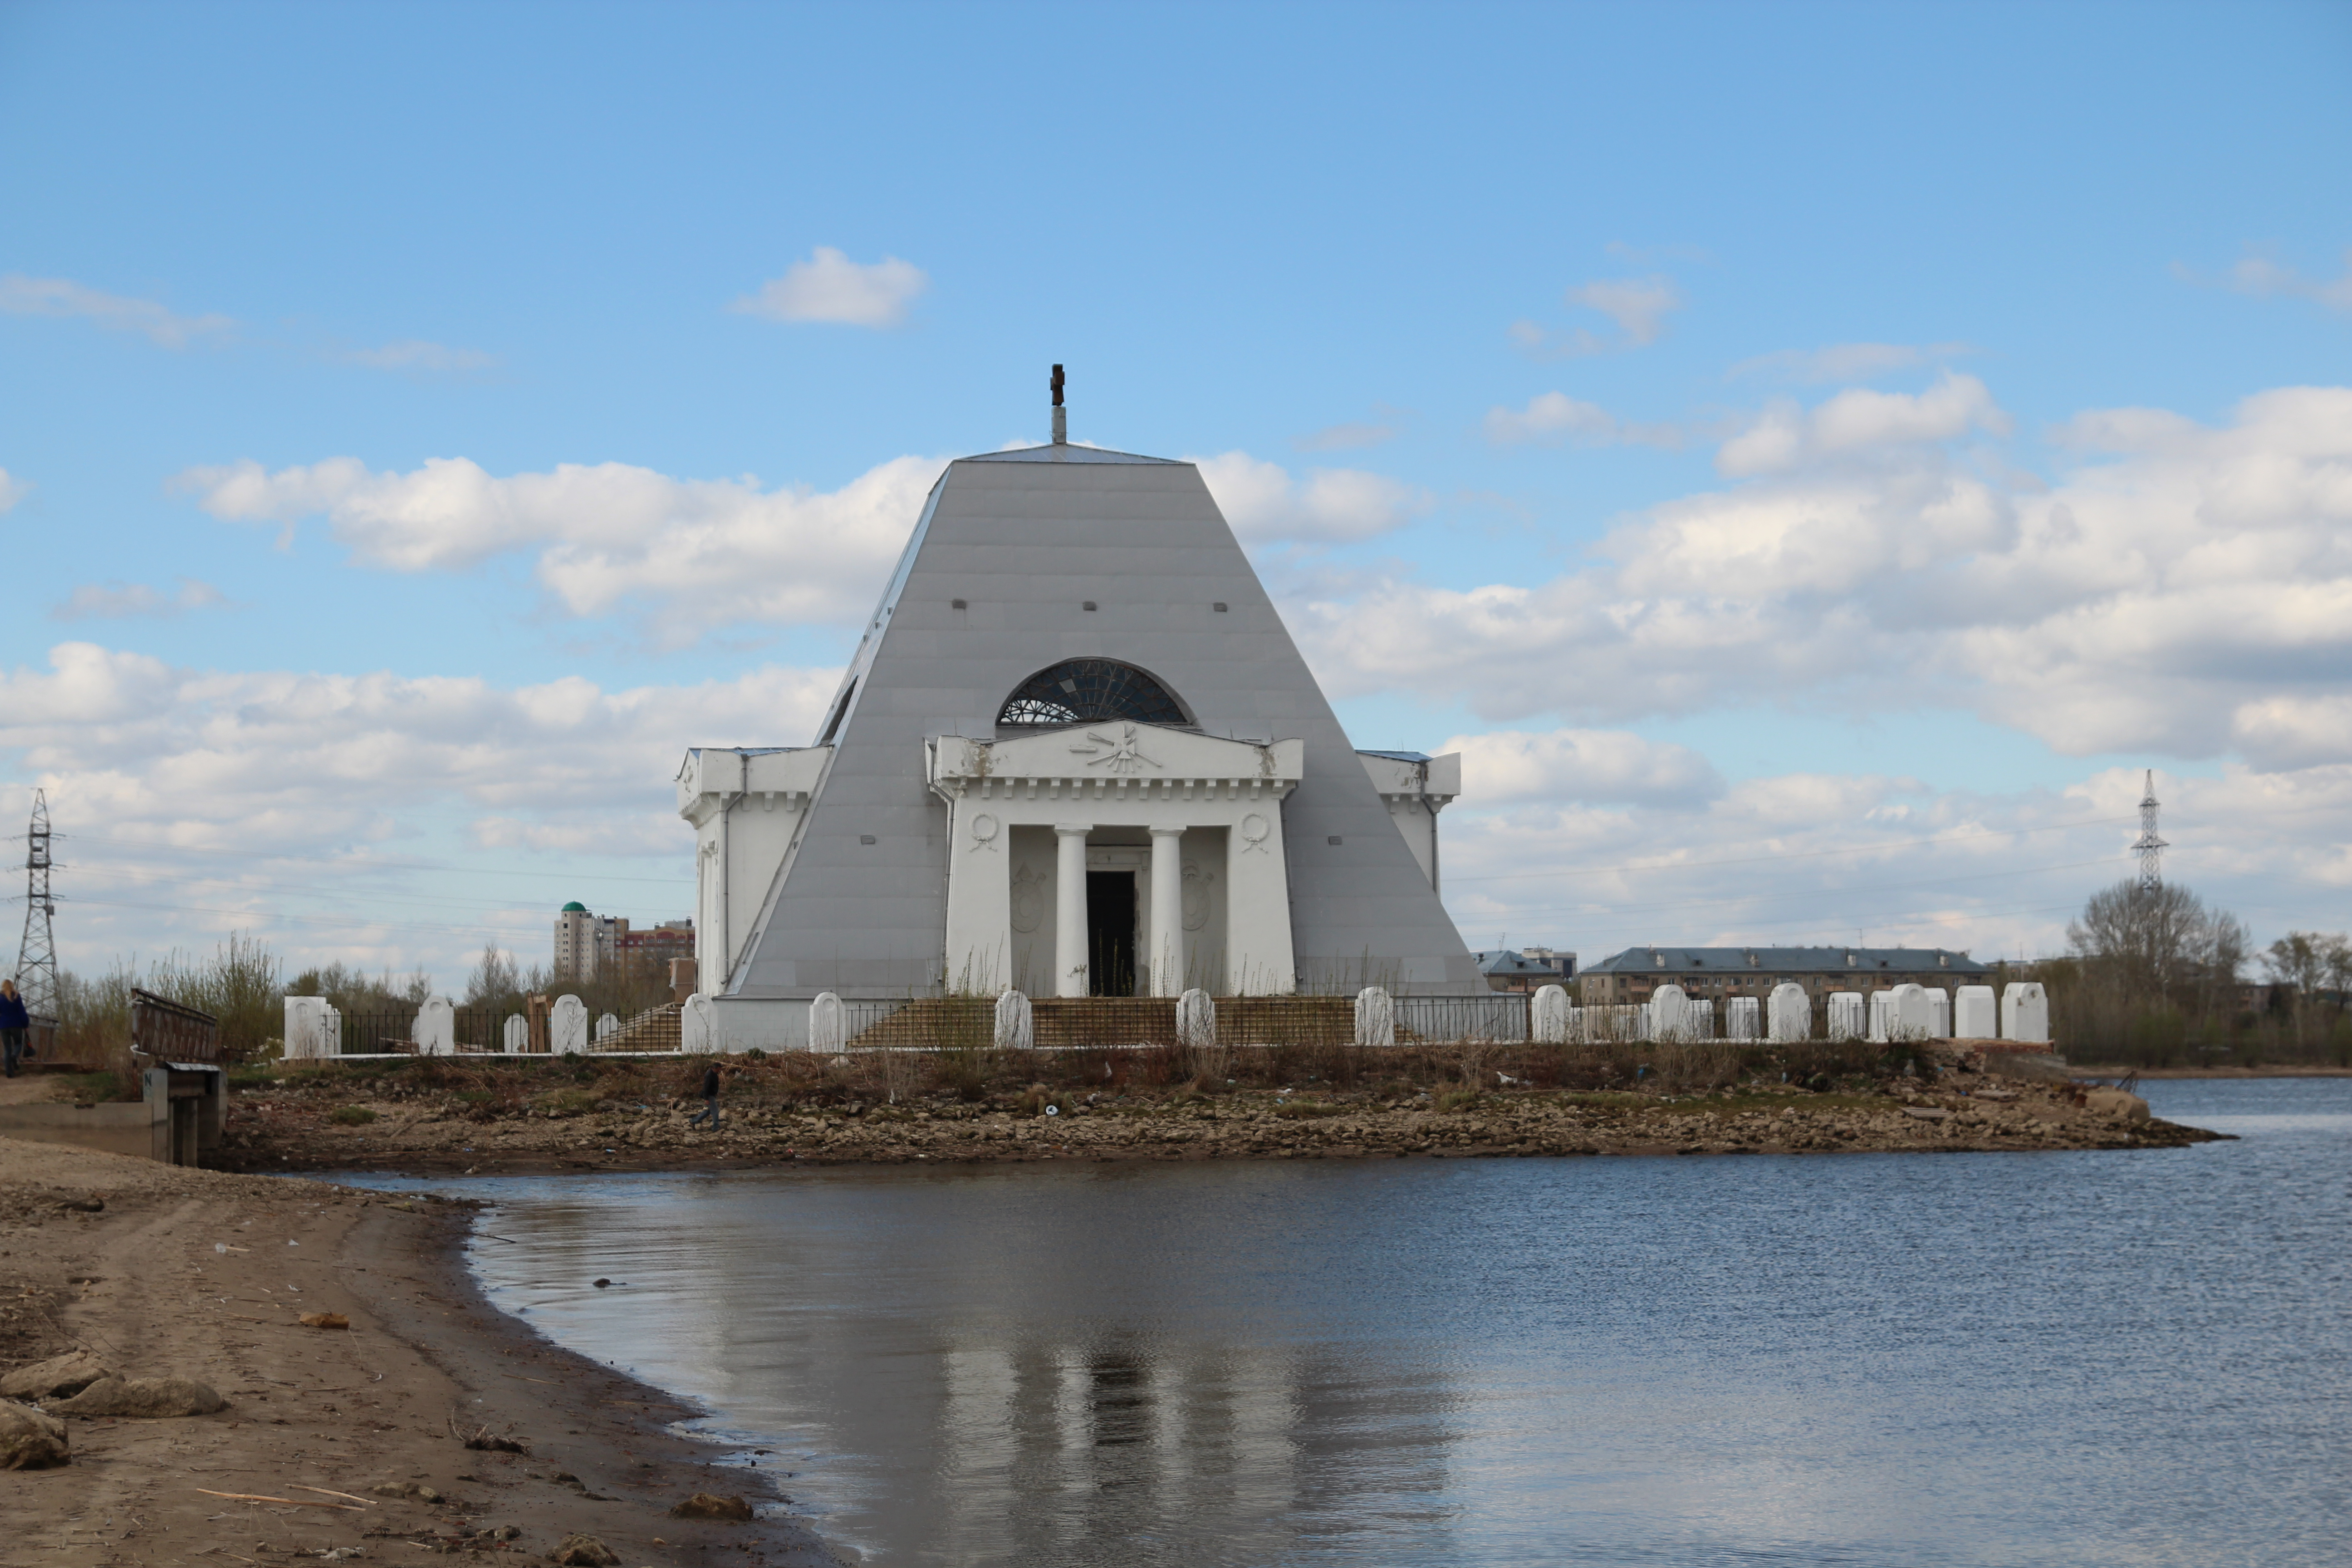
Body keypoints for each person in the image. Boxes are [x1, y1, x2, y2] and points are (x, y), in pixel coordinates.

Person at [0, 979, 28, 1078]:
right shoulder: (16, 996)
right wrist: (26, 1025)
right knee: (19, 1043)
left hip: (4, 1026)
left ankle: (9, 1073)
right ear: (12, 986)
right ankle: (14, 1056)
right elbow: (22, 1012)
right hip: (16, 1025)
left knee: (7, 1049)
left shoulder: (1, 998)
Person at [688, 1063, 722, 1130]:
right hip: (709, 1095)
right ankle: (716, 1127)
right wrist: (706, 1099)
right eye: (719, 1069)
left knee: (708, 1111)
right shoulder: (709, 1075)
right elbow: (706, 1088)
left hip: (711, 1094)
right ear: (715, 1068)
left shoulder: (714, 1074)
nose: (719, 1071)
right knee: (715, 1111)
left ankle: (694, 1121)